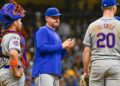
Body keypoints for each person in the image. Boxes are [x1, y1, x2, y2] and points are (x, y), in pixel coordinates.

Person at [32, 7, 75, 86]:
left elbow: (59, 57)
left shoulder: (56, 35)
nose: (57, 19)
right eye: (54, 17)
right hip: (44, 71)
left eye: (58, 17)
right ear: (47, 18)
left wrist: (65, 48)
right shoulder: (43, 30)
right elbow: (41, 47)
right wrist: (61, 46)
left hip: (55, 72)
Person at [83, 0, 120, 86]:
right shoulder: (119, 24)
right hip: (114, 64)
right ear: (114, 8)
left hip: (97, 64)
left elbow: (86, 51)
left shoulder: (92, 25)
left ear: (102, 8)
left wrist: (86, 72)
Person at [0, 1, 27, 86]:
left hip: (2, 72)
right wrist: (15, 72)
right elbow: (13, 53)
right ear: (14, 23)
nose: (21, 22)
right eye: (20, 20)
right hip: (11, 73)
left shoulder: (3, 36)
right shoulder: (13, 36)